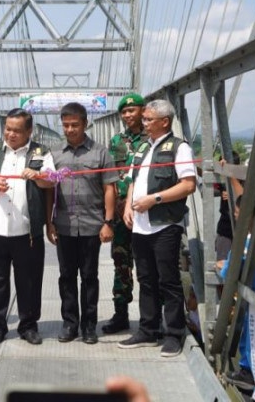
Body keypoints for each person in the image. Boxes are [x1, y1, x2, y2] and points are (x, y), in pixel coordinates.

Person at [0, 108, 55, 346]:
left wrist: (37, 175)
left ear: (29, 131)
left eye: (17, 130)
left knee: (29, 282)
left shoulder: (42, 152)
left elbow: (52, 181)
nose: (11, 134)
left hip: (27, 231)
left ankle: (28, 326)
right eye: (8, 129)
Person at [120, 99, 197, 358]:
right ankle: (147, 329)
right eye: (144, 119)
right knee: (146, 279)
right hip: (141, 227)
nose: (143, 123)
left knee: (168, 281)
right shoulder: (143, 148)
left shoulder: (179, 148)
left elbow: (188, 185)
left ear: (164, 121)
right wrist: (129, 206)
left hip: (164, 225)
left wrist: (155, 199)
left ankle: (174, 334)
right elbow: (133, 180)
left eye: (148, 119)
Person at [49, 102, 117, 345]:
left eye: (74, 125)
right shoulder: (54, 154)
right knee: (66, 276)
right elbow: (49, 191)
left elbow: (110, 189)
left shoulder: (101, 153)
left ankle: (89, 326)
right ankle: (70, 324)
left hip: (91, 225)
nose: (69, 129)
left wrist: (108, 222)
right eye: (65, 125)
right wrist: (50, 223)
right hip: (64, 225)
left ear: (85, 124)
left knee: (90, 276)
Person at [215, 198, 255, 395]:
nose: (235, 214)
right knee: (252, 336)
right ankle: (245, 368)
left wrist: (222, 265)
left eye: (238, 212)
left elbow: (228, 272)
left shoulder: (246, 243)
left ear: (250, 216)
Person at [103, 93, 146, 335]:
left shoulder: (152, 139)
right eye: (124, 112)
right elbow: (109, 176)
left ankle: (152, 317)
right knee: (121, 262)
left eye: (133, 110)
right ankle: (121, 314)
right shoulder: (116, 141)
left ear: (143, 111)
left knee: (148, 264)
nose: (128, 115)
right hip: (120, 212)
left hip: (145, 210)